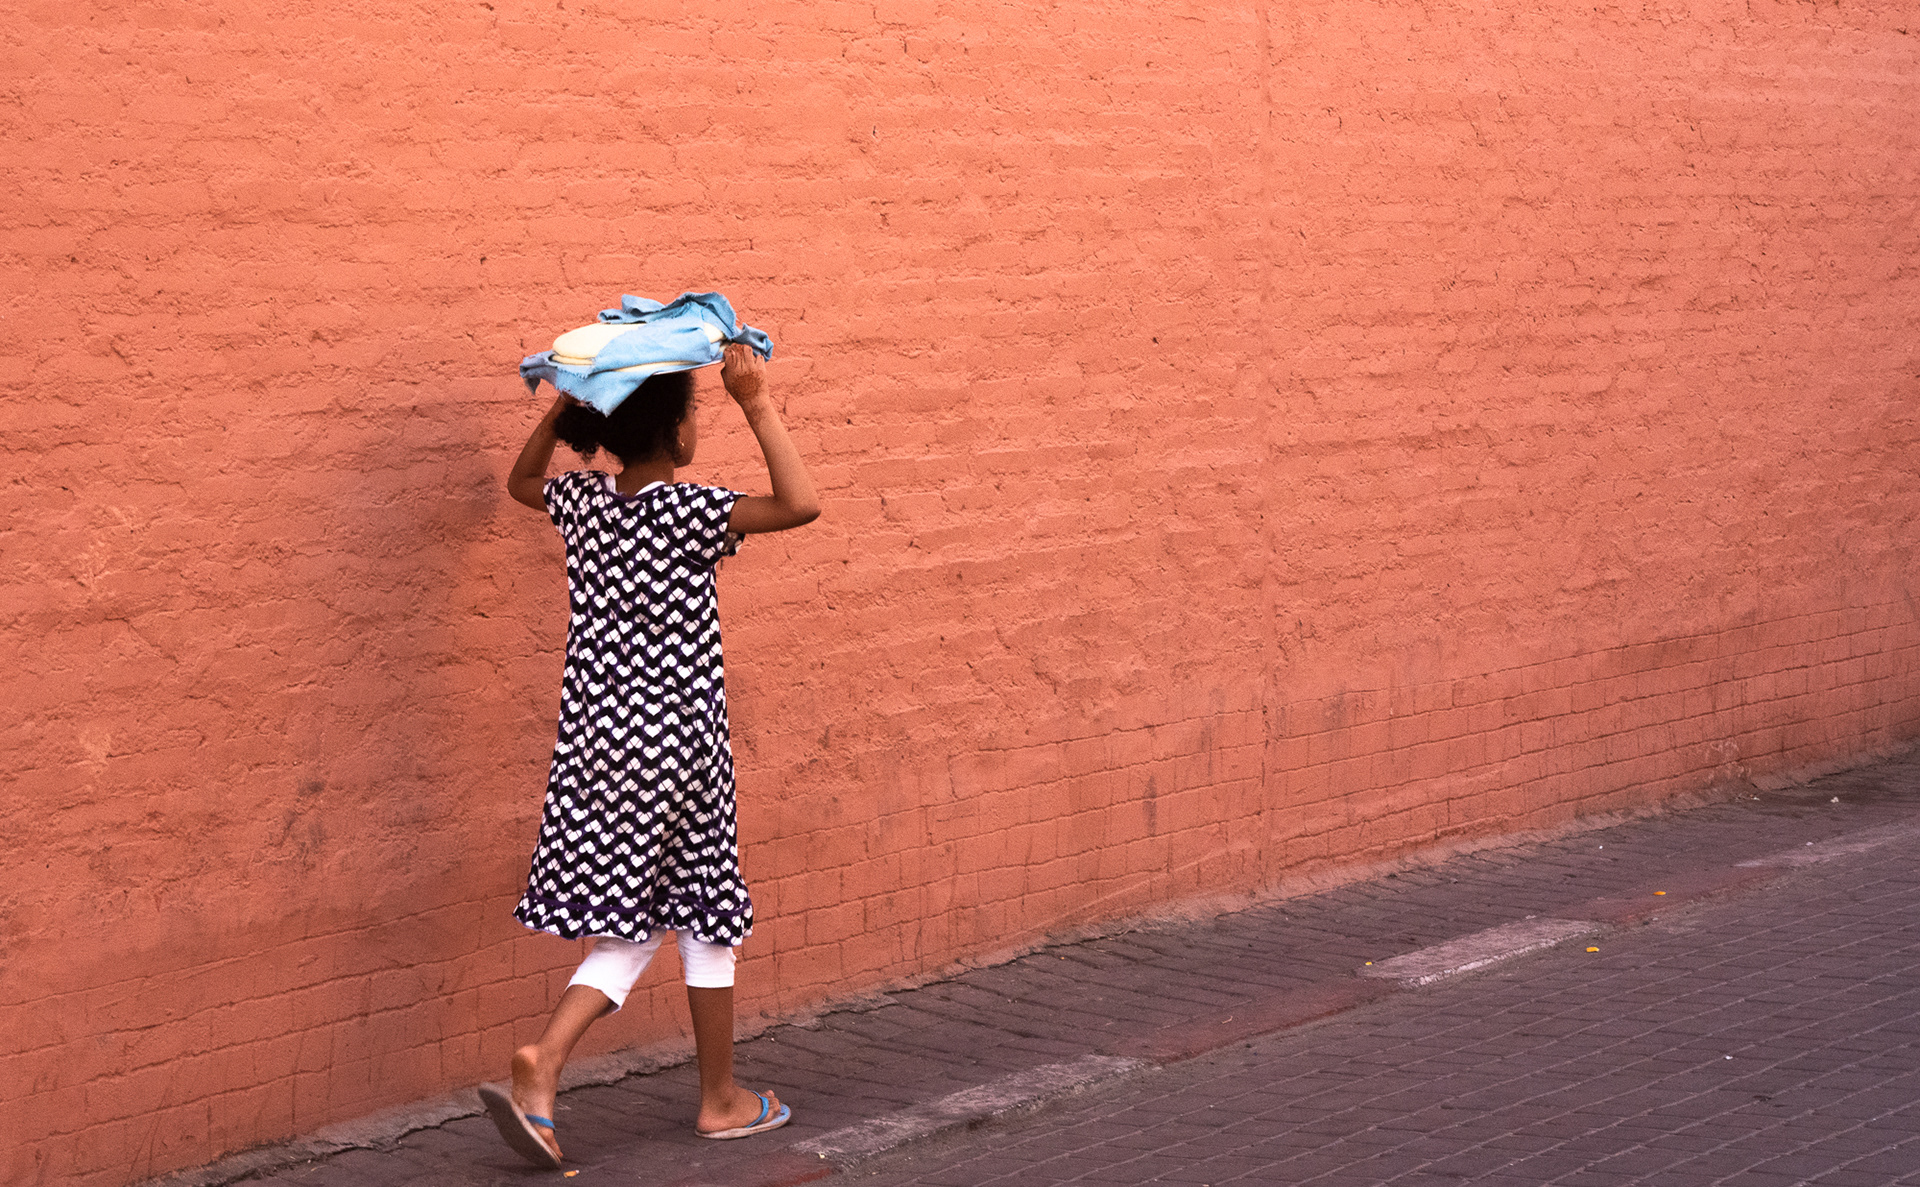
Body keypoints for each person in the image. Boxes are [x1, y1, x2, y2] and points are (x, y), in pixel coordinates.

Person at [479, 342, 819, 1168]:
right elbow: (799, 503)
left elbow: (521, 483)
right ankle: (551, 1061)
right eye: (695, 412)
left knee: (685, 903)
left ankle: (711, 1095)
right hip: (676, 747)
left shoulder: (583, 503)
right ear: (675, 432)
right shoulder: (687, 511)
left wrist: (565, 406)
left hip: (595, 743)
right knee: (669, 911)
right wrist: (755, 398)